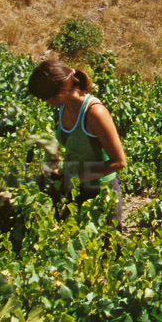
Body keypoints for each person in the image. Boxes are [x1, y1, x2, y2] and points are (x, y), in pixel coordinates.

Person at [26, 60, 128, 225]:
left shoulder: (95, 113)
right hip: (75, 189)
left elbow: (119, 162)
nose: (45, 103)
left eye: (47, 98)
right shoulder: (63, 107)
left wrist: (75, 177)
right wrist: (52, 170)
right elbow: (63, 146)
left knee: (106, 248)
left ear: (60, 91)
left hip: (100, 193)